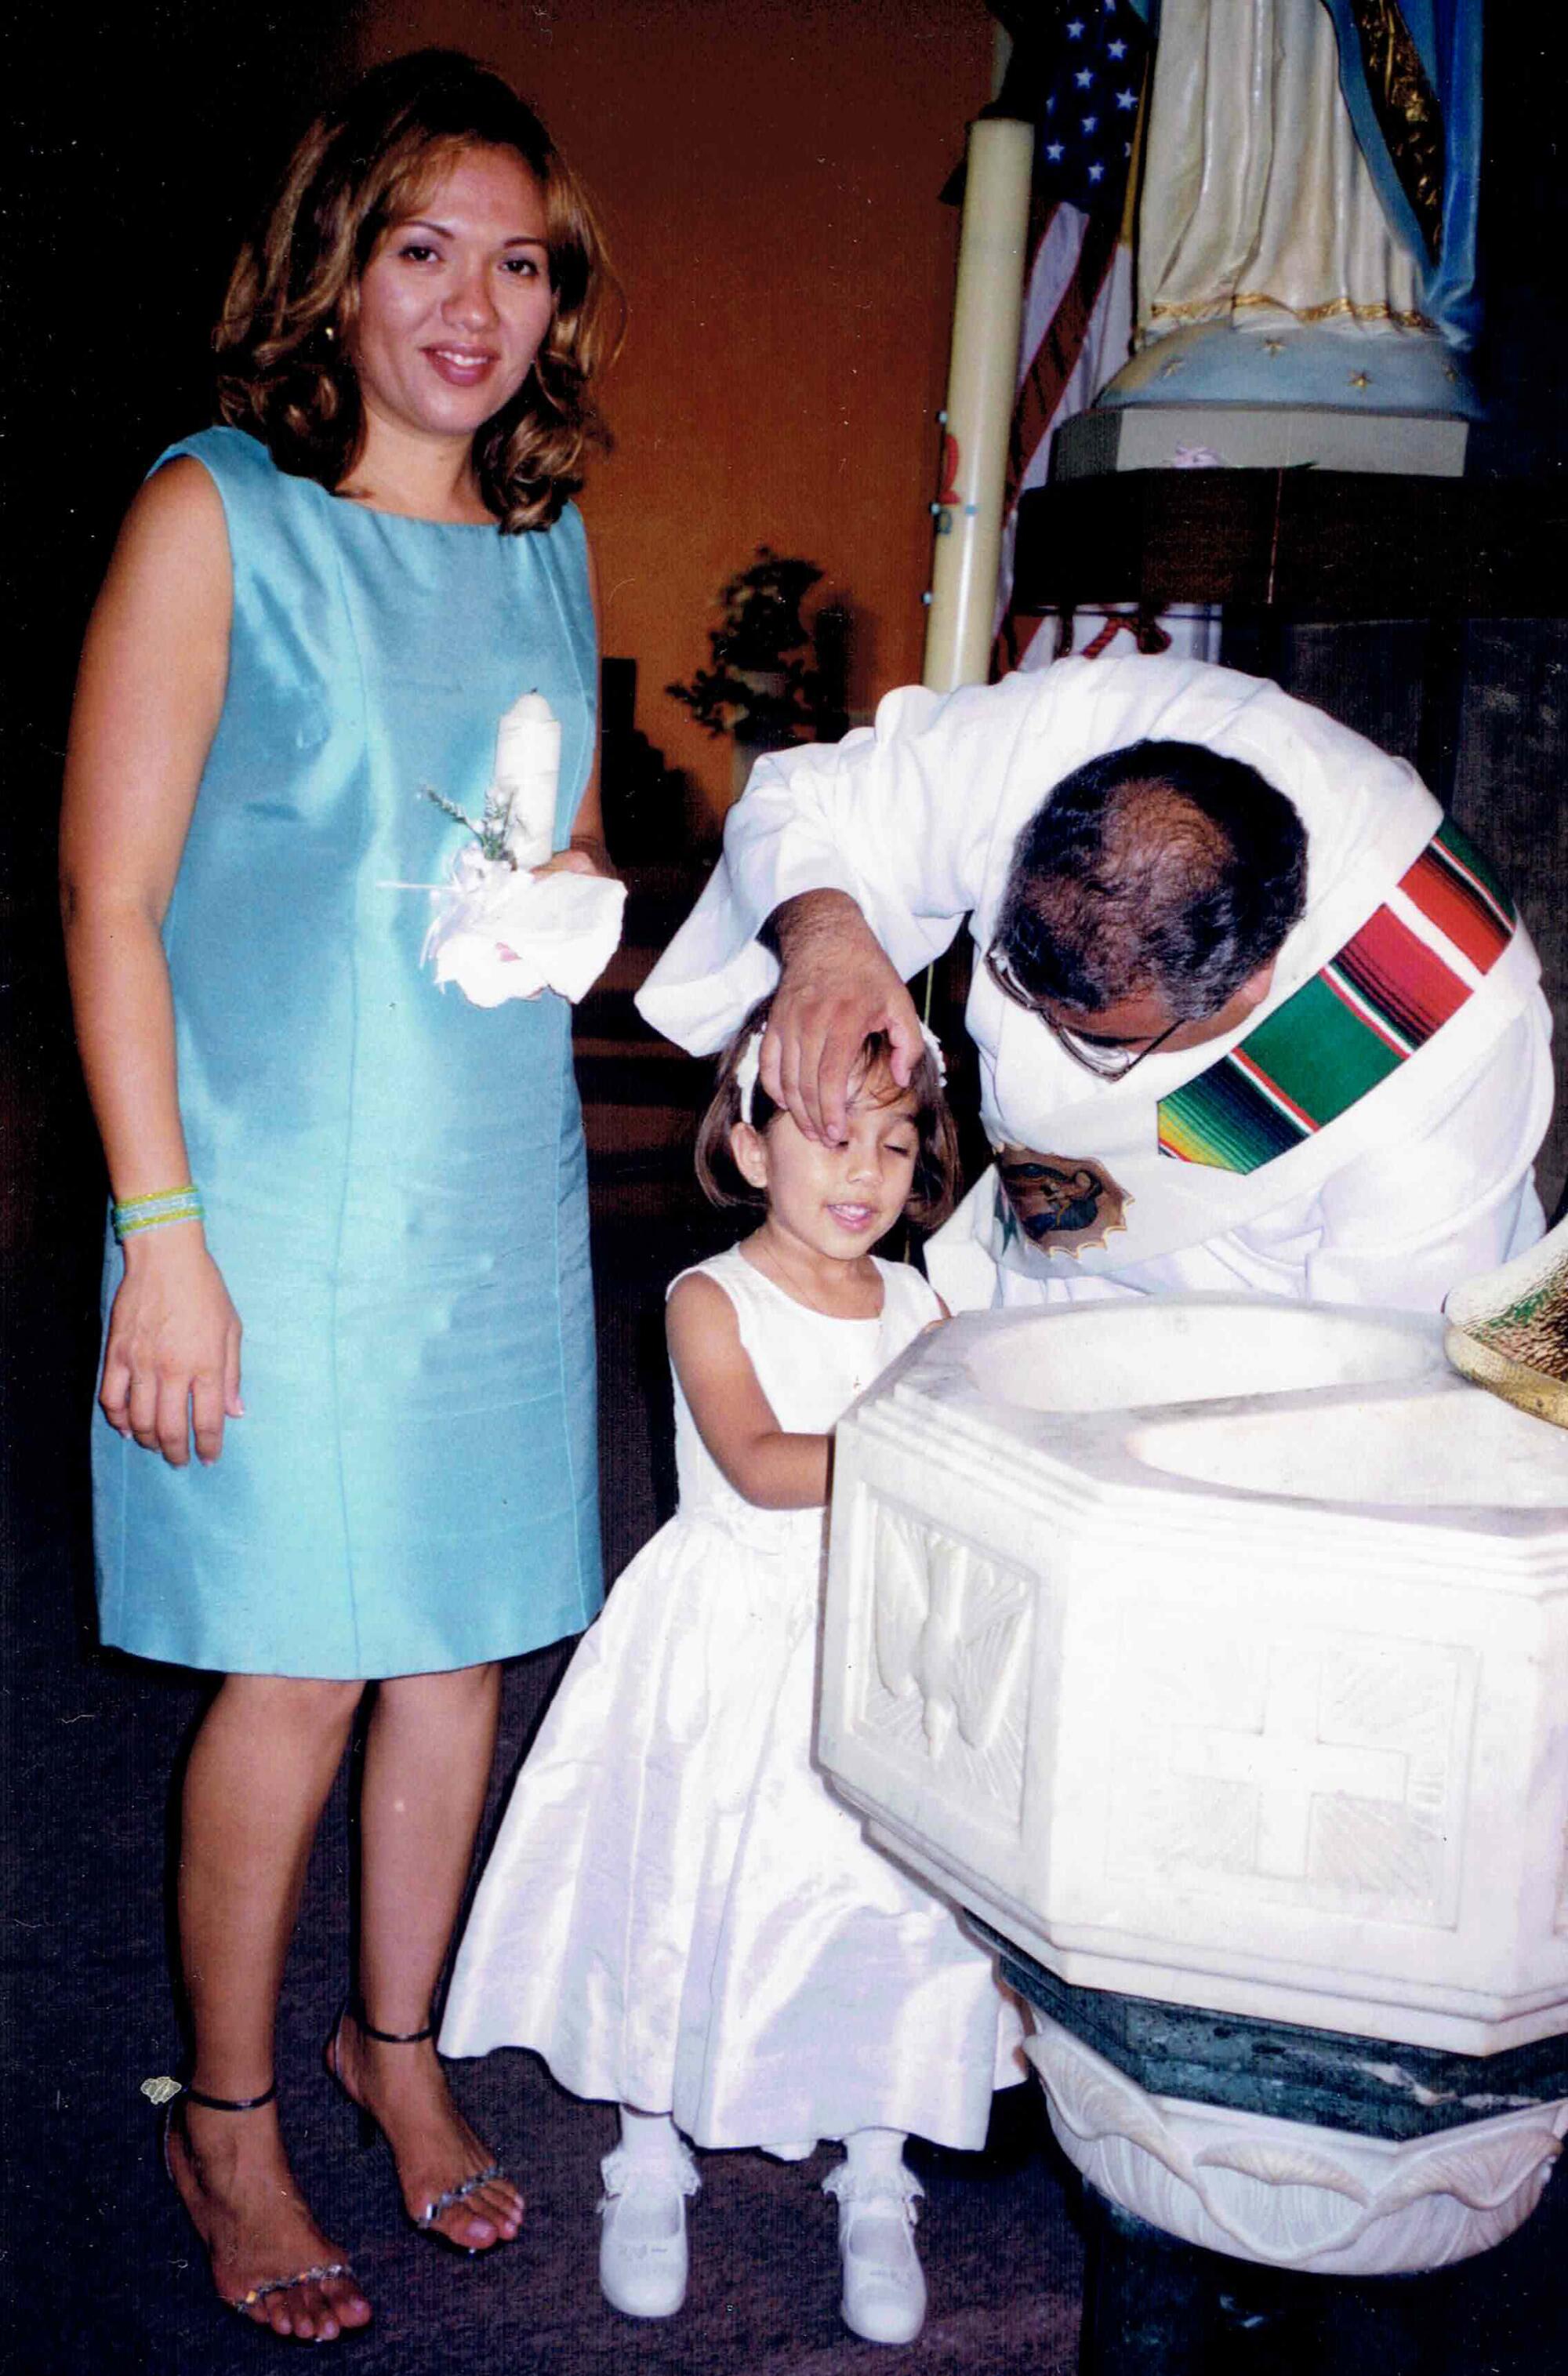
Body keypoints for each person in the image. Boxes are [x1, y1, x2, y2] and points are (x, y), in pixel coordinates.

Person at [59, 51, 619, 2341]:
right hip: (266, 1198)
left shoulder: (548, 543)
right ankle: (228, 2107)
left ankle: (397, 2049)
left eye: (517, 260)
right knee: (292, 1663)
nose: (472, 303)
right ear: (338, 269)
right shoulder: (216, 516)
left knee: (461, 1644)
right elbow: (105, 902)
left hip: (495, 1190)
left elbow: (515, 864)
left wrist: (575, 897)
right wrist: (160, 1237)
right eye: (424, 249)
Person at [438, 1005, 1024, 2348]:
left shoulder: (923, 1301)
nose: (863, 1174)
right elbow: (759, 1462)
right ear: (752, 1149)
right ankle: (651, 2152)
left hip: (884, 1633)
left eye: (892, 1143)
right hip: (733, 1637)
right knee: (690, 1880)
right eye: (826, 1139)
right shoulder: (710, 1297)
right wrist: (930, 1457)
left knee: (894, 1897)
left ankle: (879, 2166)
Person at [636, 655, 1552, 1317]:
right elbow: (804, 801)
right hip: (1046, 1272)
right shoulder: (1057, 738)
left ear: (1251, 981)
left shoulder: (1442, 1036)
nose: (1043, 1048)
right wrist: (827, 938)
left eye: (1097, 1039)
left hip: (1275, 1325)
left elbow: (1368, 1373)